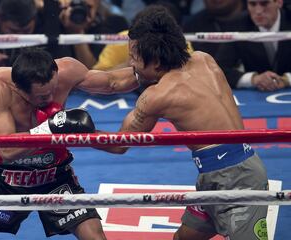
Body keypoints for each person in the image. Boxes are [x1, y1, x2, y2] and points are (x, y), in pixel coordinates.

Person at [100, 6, 269, 240]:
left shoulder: (158, 95)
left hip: (239, 181)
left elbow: (119, 144)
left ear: (156, 61)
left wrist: (80, 130)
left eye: (134, 56)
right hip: (219, 173)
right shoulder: (204, 59)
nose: (131, 62)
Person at [0, 47, 139, 239]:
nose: (52, 98)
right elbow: (7, 151)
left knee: (95, 237)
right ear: (18, 88)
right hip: (7, 179)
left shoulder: (67, 70)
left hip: (55, 175)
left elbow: (112, 82)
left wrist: (157, 69)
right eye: (43, 96)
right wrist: (50, 128)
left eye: (54, 89)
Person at [216, 0, 291, 91]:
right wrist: (253, 79)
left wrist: (287, 79)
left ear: (279, 2)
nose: (258, 11)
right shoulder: (238, 25)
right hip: (256, 95)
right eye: (252, 4)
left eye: (264, 3)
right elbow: (219, 68)